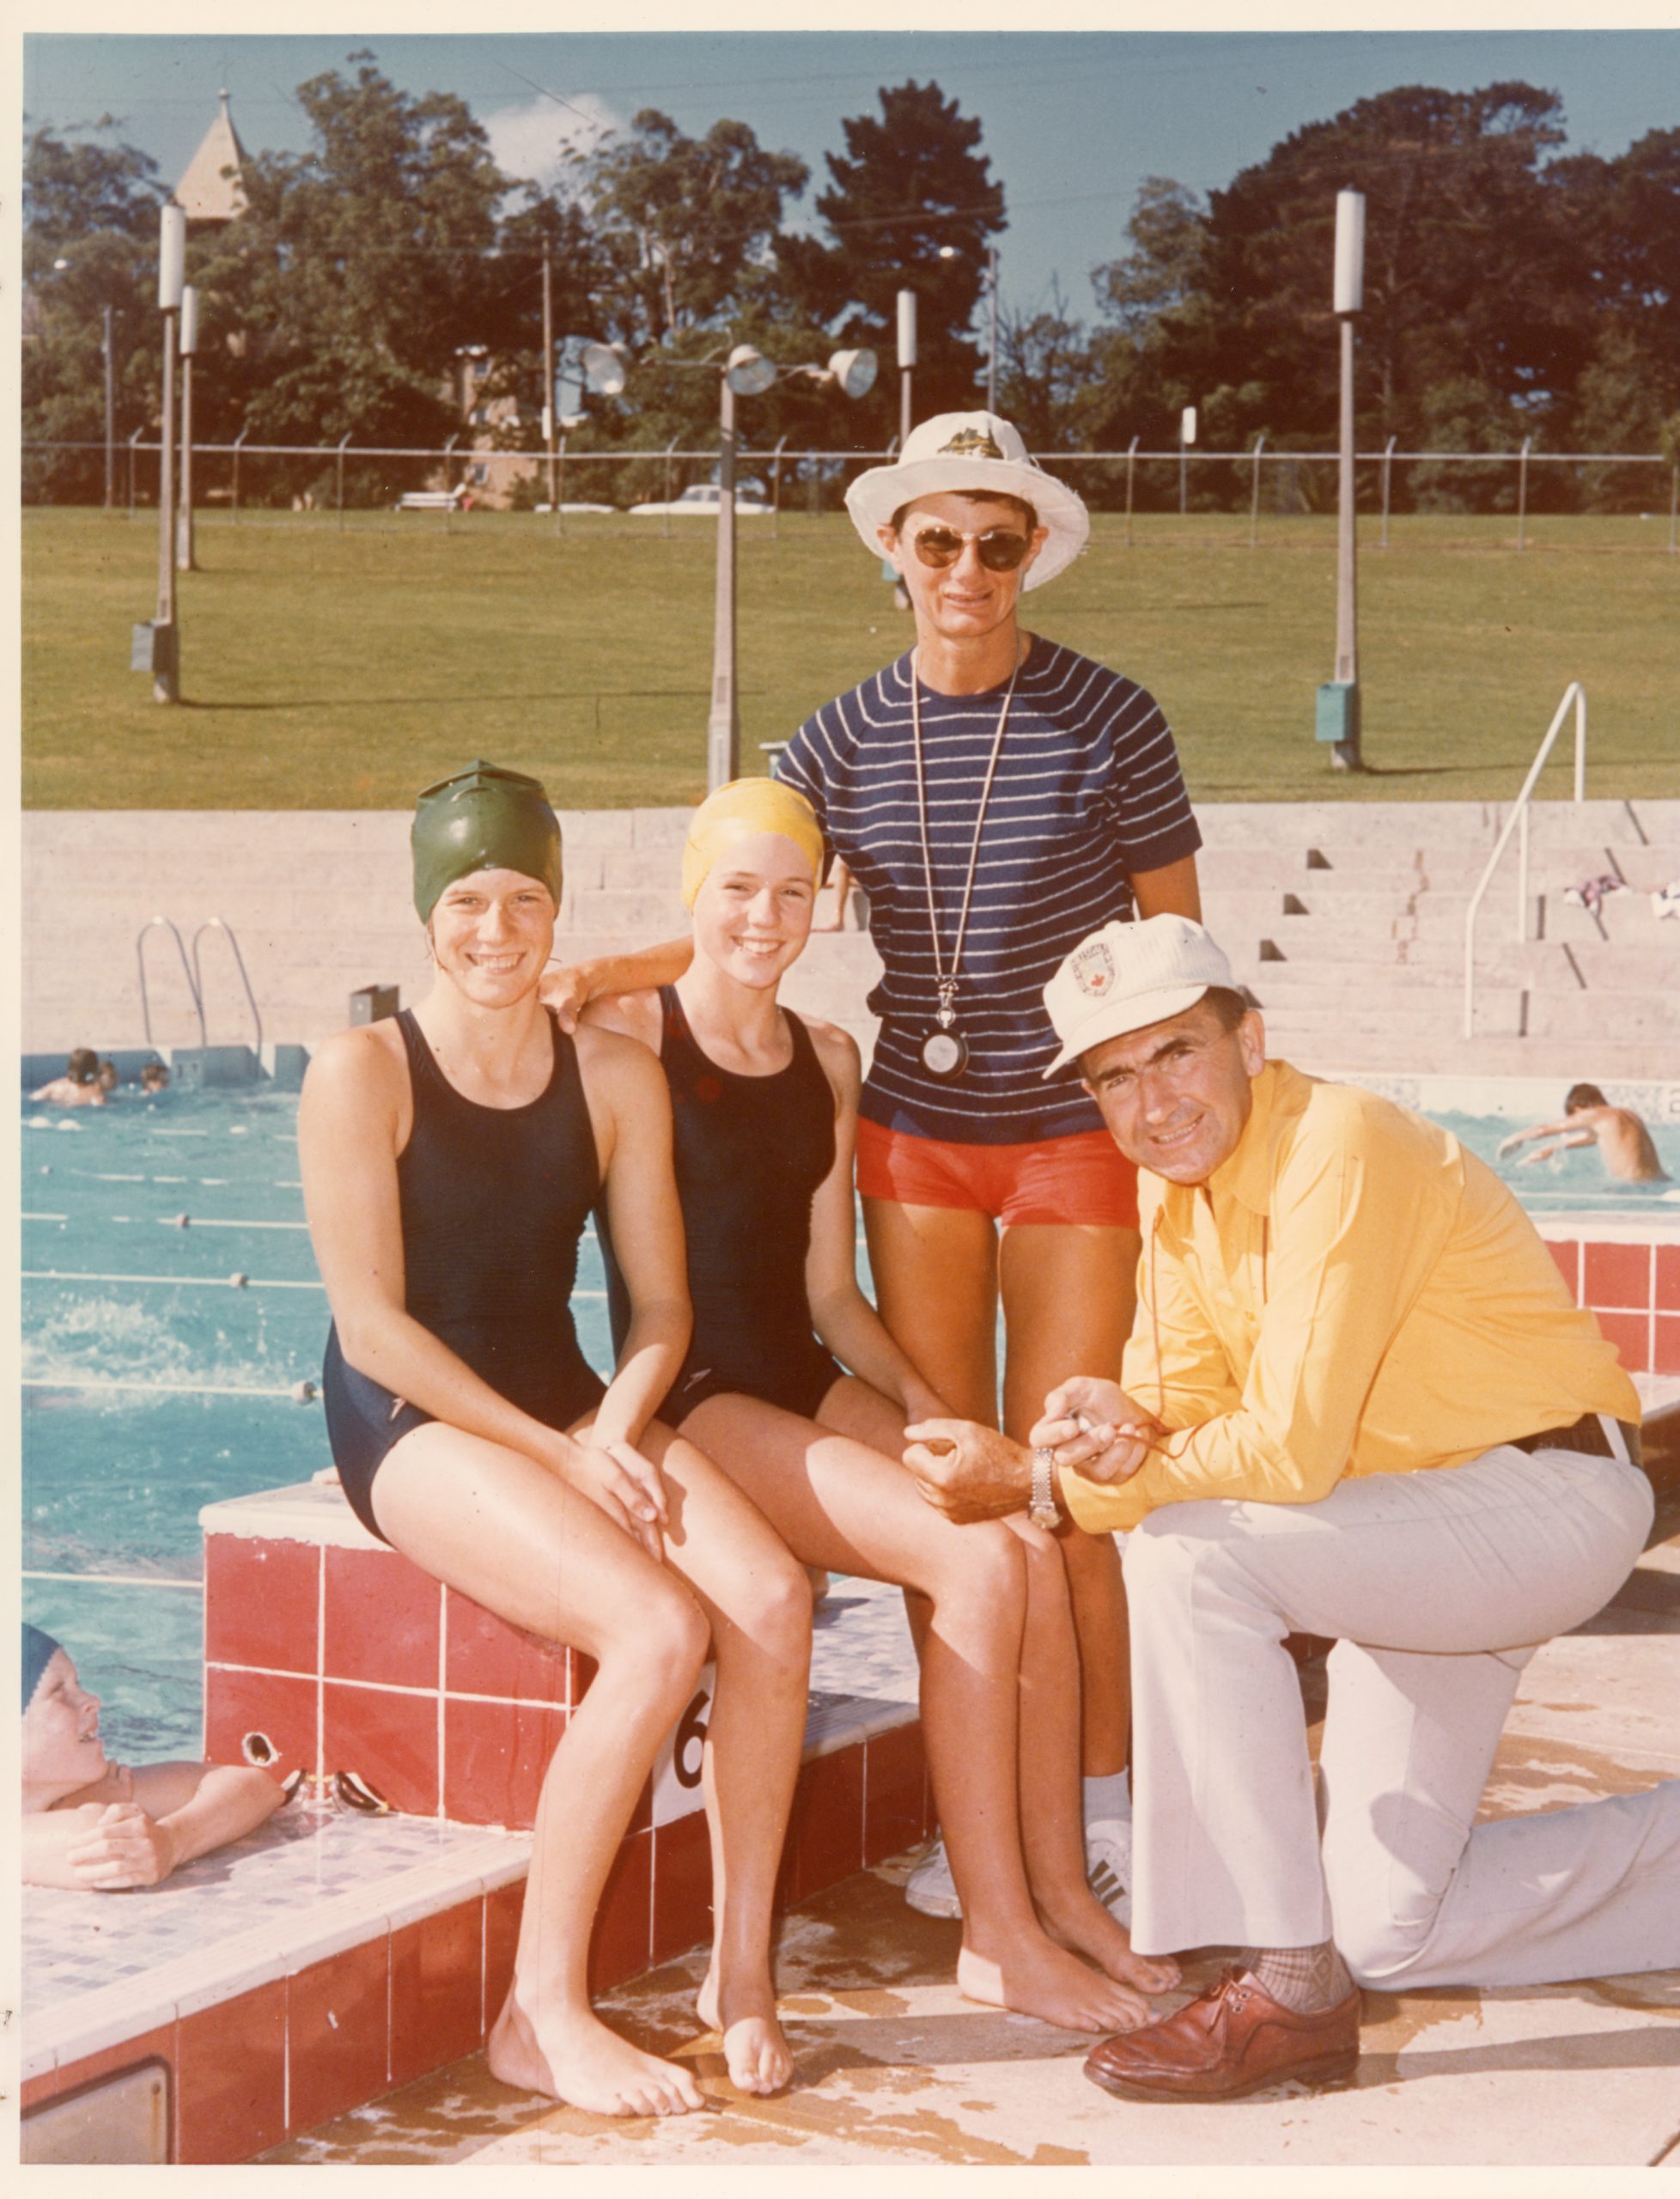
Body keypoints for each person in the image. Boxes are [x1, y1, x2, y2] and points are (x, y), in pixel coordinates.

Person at [546, 411, 1205, 1909]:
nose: (964, 568)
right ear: (891, 554)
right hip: (912, 1133)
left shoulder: (1112, 717)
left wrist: (1202, 1137)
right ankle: (977, 1816)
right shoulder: (838, 734)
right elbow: (751, 907)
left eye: (996, 541)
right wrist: (605, 972)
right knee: (945, 1477)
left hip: (1063, 1141)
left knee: (1059, 1477)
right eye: (935, 541)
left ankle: (1105, 1813)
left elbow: (1179, 951)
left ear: (1032, 551)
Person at [902, 913, 1680, 2104]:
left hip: (1542, 1499)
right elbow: (1191, 1407)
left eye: (1175, 1052)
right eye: (1115, 1077)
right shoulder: (1182, 1197)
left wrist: (1035, 1485)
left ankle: (1280, 1984)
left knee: (1184, 1555)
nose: (1151, 1100)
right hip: (1410, 1540)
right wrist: (1110, 1421)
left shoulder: (1339, 1141)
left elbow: (1279, 1446)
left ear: (1249, 1039)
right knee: (1388, 1930)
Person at [585, 778, 1172, 2035]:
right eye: (735, 887)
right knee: (967, 1562)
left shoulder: (826, 1057)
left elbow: (829, 1293)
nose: (764, 916)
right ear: (692, 890)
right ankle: (993, 1937)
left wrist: (935, 1411)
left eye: (792, 891)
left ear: (823, 908)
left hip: (797, 1365)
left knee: (1022, 1524)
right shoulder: (628, 1032)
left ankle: (1061, 1894)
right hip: (691, 1389)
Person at [301, 760, 813, 2117]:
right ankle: (539, 2013)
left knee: (767, 1595)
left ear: (557, 908)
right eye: (467, 898)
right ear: (427, 913)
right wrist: (554, 1449)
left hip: (570, 1390)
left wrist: (620, 1428)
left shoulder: (611, 1076)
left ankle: (741, 1970)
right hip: (411, 1411)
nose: (496, 928)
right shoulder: (362, 1072)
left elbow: (660, 1306)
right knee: (656, 1631)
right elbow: (370, 1330)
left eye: (524, 897)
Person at [22, 1623, 287, 1889]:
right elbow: (99, 1838)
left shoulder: (84, 1789)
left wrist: (173, 1840)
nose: (93, 1700)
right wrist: (86, 1807)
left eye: (77, 1684)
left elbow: (257, 1786)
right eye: (59, 1693)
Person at [1497, 1082, 1668, 1183]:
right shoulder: (1627, 1116)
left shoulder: (1594, 1114)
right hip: (1659, 1182)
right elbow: (1589, 1138)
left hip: (1632, 1188)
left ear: (1581, 1108)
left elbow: (1543, 1130)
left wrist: (1515, 1138)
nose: (1577, 1124)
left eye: (1575, 1117)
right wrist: (1548, 1151)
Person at [33, 1047, 107, 1108]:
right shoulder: (94, 1091)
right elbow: (99, 1107)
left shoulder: (55, 1086)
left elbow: (34, 1097)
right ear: (93, 1069)